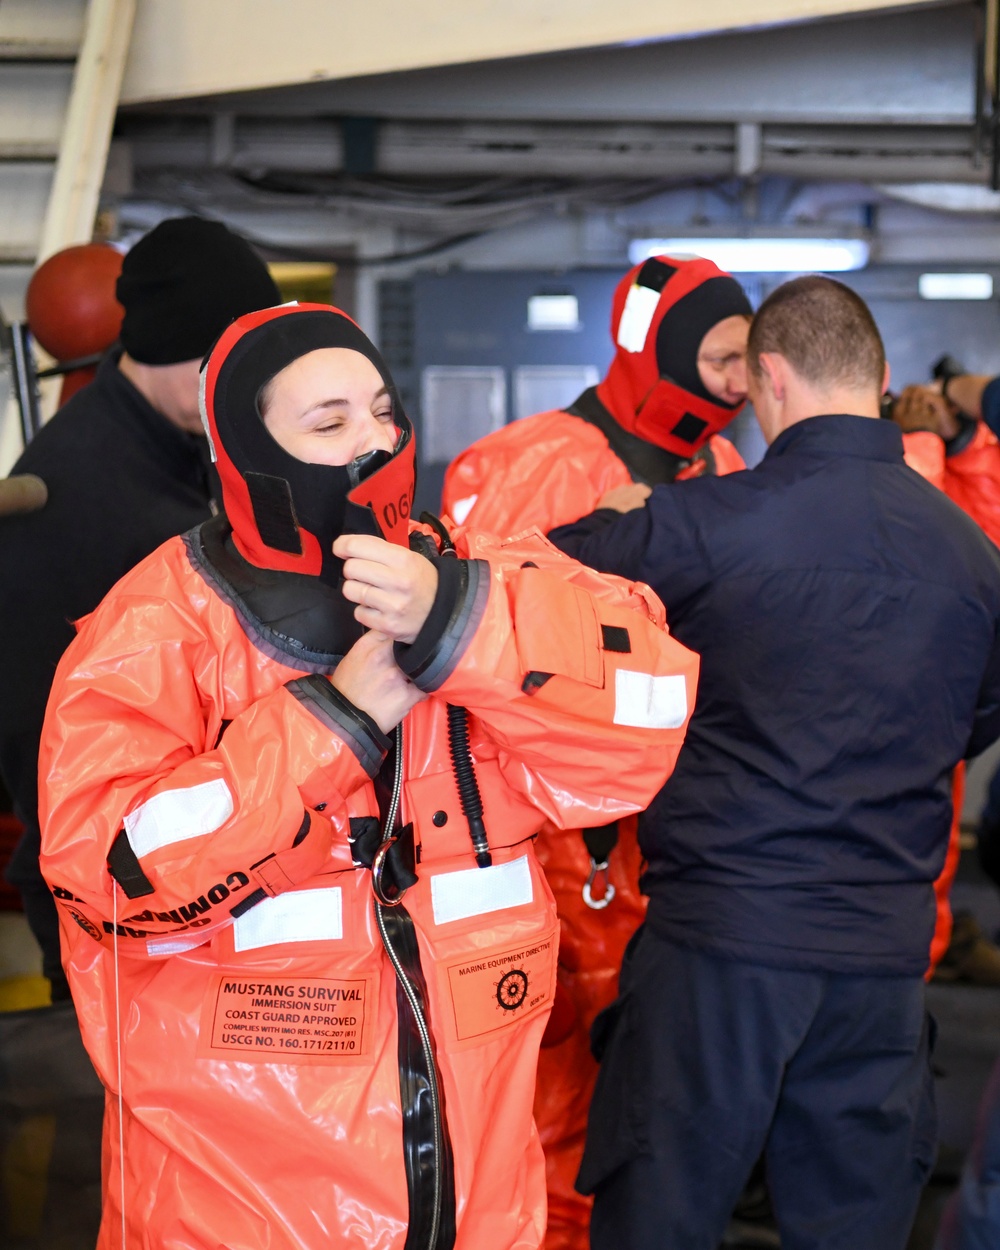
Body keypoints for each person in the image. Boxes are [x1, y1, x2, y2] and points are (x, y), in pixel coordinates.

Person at [37, 302, 699, 1250]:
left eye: (384, 411)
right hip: (238, 1209)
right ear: (244, 452)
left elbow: (648, 717)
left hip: (482, 1199)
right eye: (329, 422)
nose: (374, 444)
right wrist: (334, 723)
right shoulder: (158, 631)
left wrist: (464, 628)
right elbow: (104, 874)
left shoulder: (478, 575)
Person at [549, 275, 1000, 1250]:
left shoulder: (698, 522)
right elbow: (969, 720)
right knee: (853, 1225)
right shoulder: (971, 554)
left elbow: (537, 610)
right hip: (880, 961)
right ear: (879, 378)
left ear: (770, 381)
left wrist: (616, 512)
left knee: (660, 1220)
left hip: (718, 947)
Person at [441, 254, 751, 1249]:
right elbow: (478, 655)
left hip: (674, 844)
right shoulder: (531, 462)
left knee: (649, 1106)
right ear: (654, 349)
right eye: (720, 354)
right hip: (554, 848)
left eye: (749, 358)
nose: (738, 381)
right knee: (549, 1106)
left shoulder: (725, 470)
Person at [0, 215, 280, 999]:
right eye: (227, 365)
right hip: (114, 898)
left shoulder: (169, 440)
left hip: (172, 871)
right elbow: (43, 736)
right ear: (177, 354)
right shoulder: (98, 499)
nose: (244, 390)